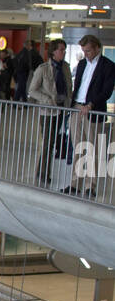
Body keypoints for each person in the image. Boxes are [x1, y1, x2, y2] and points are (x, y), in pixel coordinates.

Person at [65, 34, 115, 197]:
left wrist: (90, 104)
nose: (85, 54)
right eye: (83, 51)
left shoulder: (108, 66)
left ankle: (90, 185)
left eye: (88, 51)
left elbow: (106, 91)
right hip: (77, 108)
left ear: (97, 48)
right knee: (78, 147)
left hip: (92, 111)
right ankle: (75, 183)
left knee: (92, 148)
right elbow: (78, 85)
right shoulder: (81, 64)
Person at [28, 40, 71, 186]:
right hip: (47, 111)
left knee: (52, 142)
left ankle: (42, 172)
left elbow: (68, 88)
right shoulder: (43, 69)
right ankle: (43, 173)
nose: (63, 52)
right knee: (48, 142)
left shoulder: (65, 67)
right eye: (61, 50)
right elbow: (32, 90)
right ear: (53, 52)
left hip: (61, 110)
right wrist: (46, 99)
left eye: (64, 50)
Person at [12, 39, 42, 103]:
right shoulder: (28, 53)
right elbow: (29, 63)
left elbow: (15, 61)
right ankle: (16, 101)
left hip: (21, 72)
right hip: (25, 72)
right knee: (22, 86)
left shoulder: (22, 53)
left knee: (22, 86)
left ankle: (24, 102)